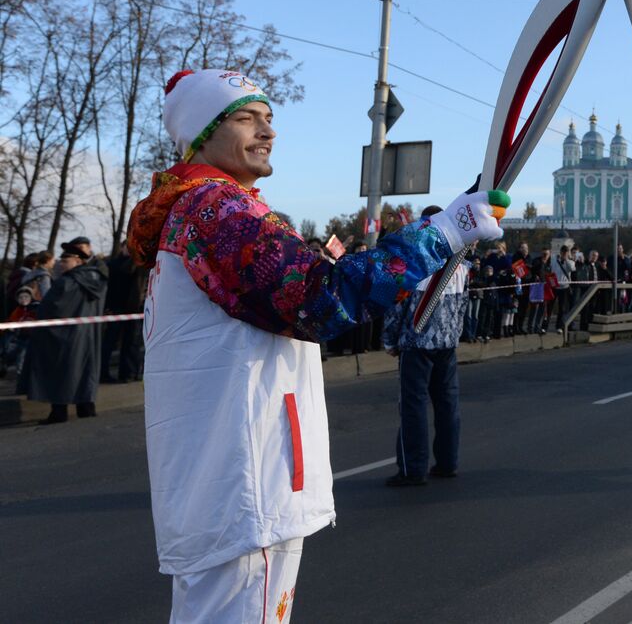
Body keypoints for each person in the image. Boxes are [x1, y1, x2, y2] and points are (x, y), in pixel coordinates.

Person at [125, 69, 507, 623]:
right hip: (244, 477)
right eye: (245, 118)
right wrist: (443, 233)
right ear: (201, 133)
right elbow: (319, 299)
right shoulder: (217, 209)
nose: (266, 131)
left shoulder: (193, 212)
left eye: (269, 118)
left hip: (221, 475)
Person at [382, 205, 467, 487]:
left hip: (417, 342)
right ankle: (447, 463)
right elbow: (463, 305)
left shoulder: (417, 261)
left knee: (413, 406)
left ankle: (412, 469)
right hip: (447, 343)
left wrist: (389, 340)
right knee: (447, 404)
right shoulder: (461, 264)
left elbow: (398, 305)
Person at [18, 240, 107, 423]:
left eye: (65, 261)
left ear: (77, 261)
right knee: (85, 370)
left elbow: (51, 308)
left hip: (66, 336)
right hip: (88, 335)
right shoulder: (97, 279)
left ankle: (59, 411)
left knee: (62, 371)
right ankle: (85, 408)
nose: (61, 263)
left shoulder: (67, 282)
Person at [101, 242, 146, 383]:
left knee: (132, 342)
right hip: (116, 308)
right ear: (122, 248)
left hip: (133, 309)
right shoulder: (113, 264)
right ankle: (103, 373)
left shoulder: (139, 265)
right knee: (110, 342)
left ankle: (128, 373)